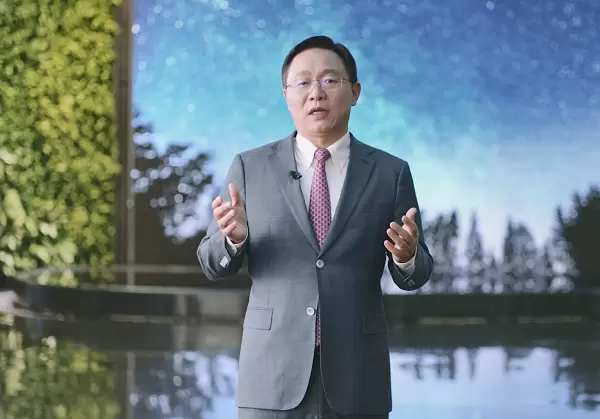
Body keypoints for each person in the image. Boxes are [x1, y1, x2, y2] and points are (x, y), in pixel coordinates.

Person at [197, 35, 434, 419]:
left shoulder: (390, 173)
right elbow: (211, 264)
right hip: (271, 377)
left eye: (329, 80)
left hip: (358, 377)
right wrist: (232, 239)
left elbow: (417, 273)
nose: (316, 93)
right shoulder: (249, 168)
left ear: (355, 92)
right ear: (286, 96)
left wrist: (406, 257)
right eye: (303, 82)